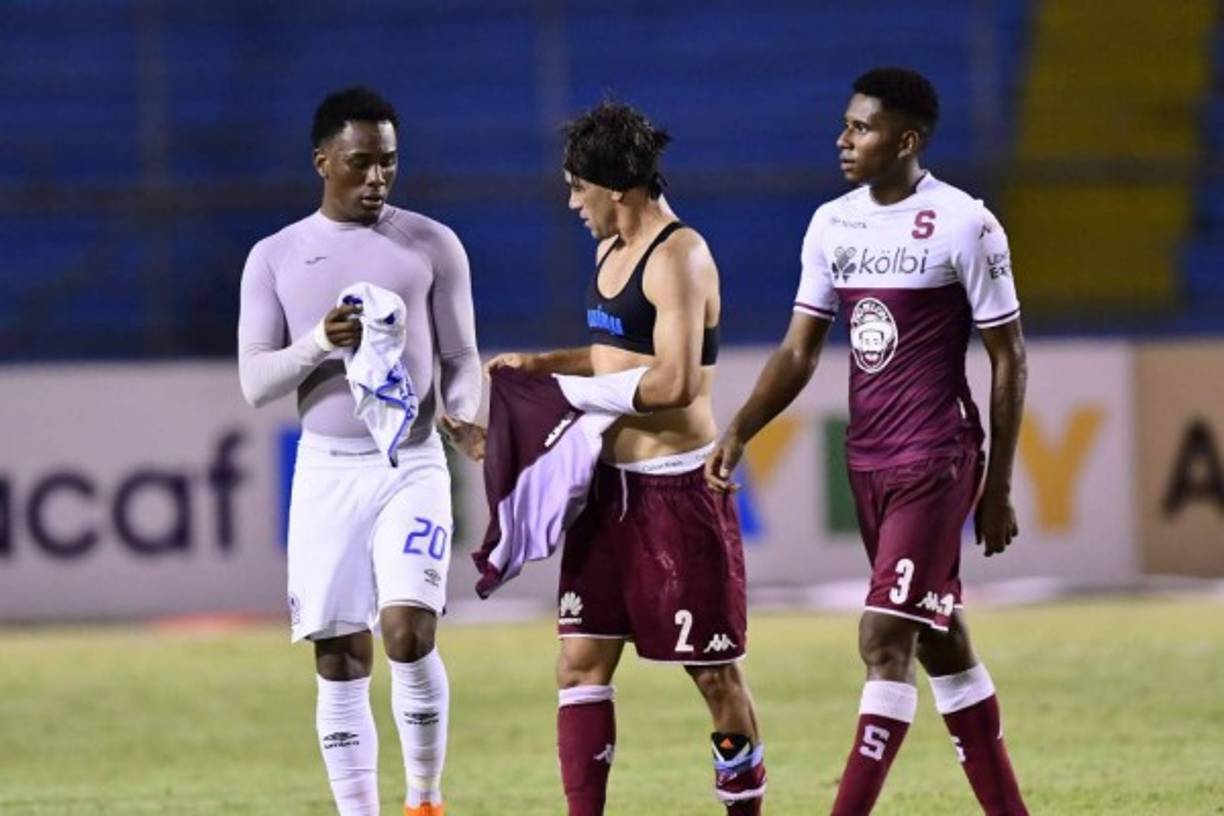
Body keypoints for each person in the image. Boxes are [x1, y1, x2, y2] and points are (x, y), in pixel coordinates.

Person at [706, 67, 1030, 815]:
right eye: (847, 125)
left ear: (906, 140)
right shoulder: (833, 223)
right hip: (868, 462)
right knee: (940, 641)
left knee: (884, 637)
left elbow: (1009, 355)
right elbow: (797, 351)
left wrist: (1000, 485)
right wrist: (740, 430)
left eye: (862, 128)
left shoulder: (964, 223)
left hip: (937, 457)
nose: (843, 139)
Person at [487, 101, 767, 815]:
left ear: (616, 189)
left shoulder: (680, 256)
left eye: (578, 187)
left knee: (714, 678)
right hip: (607, 494)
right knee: (579, 661)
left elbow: (673, 383)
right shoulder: (609, 250)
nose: (571, 202)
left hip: (677, 494)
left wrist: (570, 392)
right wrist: (543, 364)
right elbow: (618, 358)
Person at [237, 86, 483, 816]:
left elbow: (462, 356)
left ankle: (426, 800)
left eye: (389, 163)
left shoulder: (432, 243)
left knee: (410, 631)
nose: (378, 178)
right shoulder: (276, 256)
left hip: (410, 465)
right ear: (323, 162)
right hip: (325, 471)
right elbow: (255, 382)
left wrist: (464, 412)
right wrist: (318, 342)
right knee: (340, 654)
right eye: (361, 162)